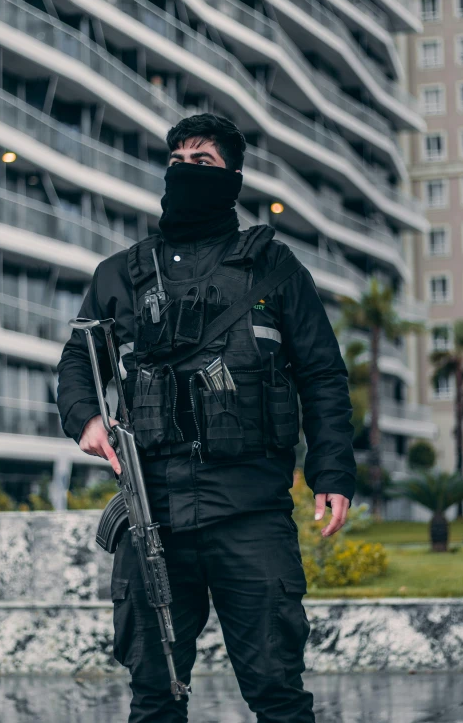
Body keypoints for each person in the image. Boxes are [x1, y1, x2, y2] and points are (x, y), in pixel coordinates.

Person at [57, 113, 356, 723]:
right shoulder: (121, 274)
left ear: (233, 178)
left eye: (204, 162)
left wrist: (332, 474)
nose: (186, 171)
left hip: (250, 512)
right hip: (153, 512)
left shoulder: (275, 270)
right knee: (155, 693)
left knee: (277, 689)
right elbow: (76, 360)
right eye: (177, 161)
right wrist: (85, 417)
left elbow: (322, 374)